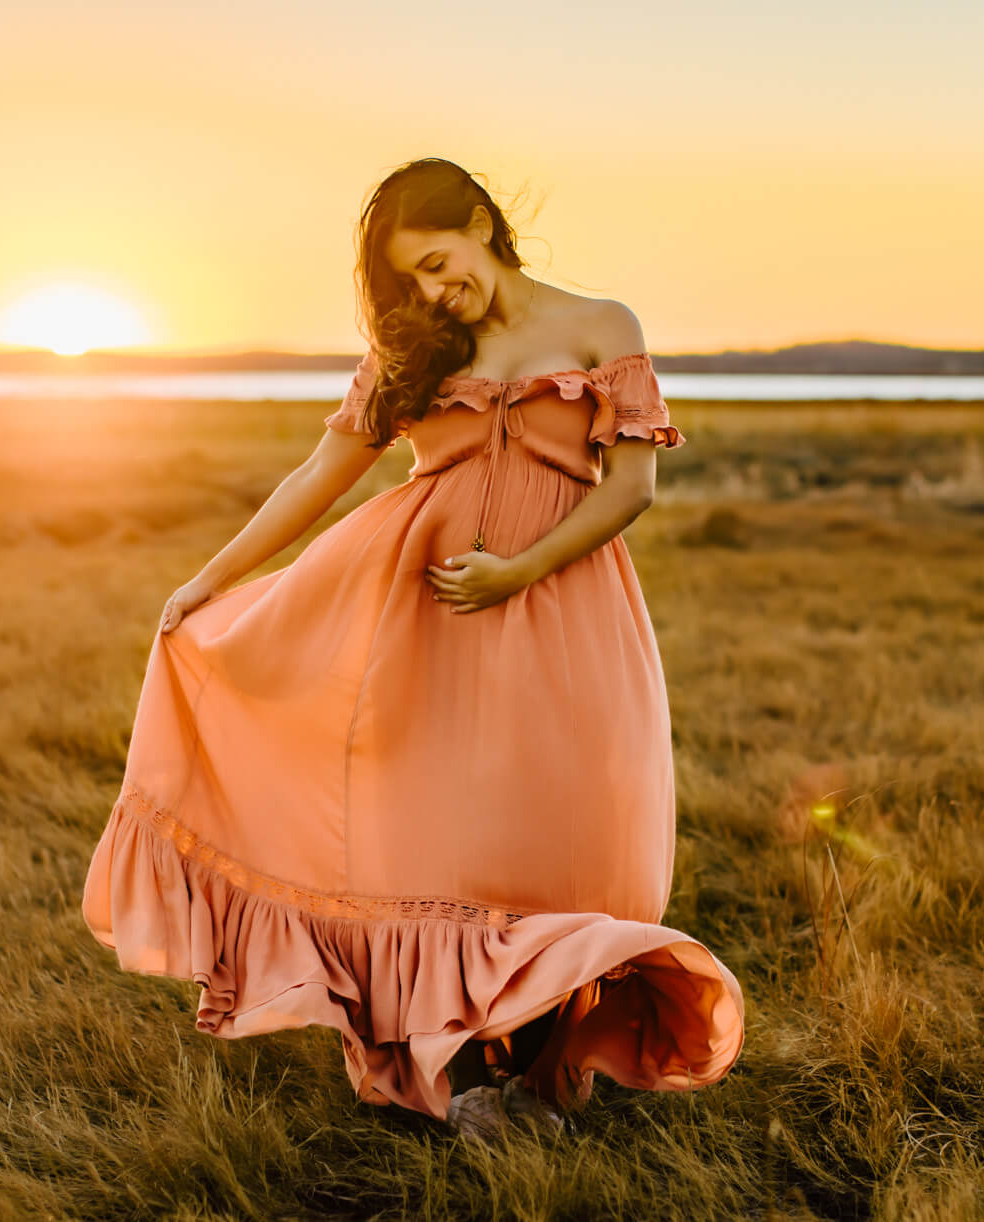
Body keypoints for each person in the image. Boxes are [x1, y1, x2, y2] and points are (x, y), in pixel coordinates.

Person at [80, 158, 744, 1141]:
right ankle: (469, 1073)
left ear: (480, 221)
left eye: (437, 263)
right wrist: (208, 577)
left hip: (562, 609)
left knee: (563, 830)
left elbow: (630, 489)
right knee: (436, 841)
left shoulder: (602, 326)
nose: (433, 292)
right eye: (411, 281)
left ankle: (540, 1055)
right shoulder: (413, 349)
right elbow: (321, 472)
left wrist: (517, 571)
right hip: (418, 614)